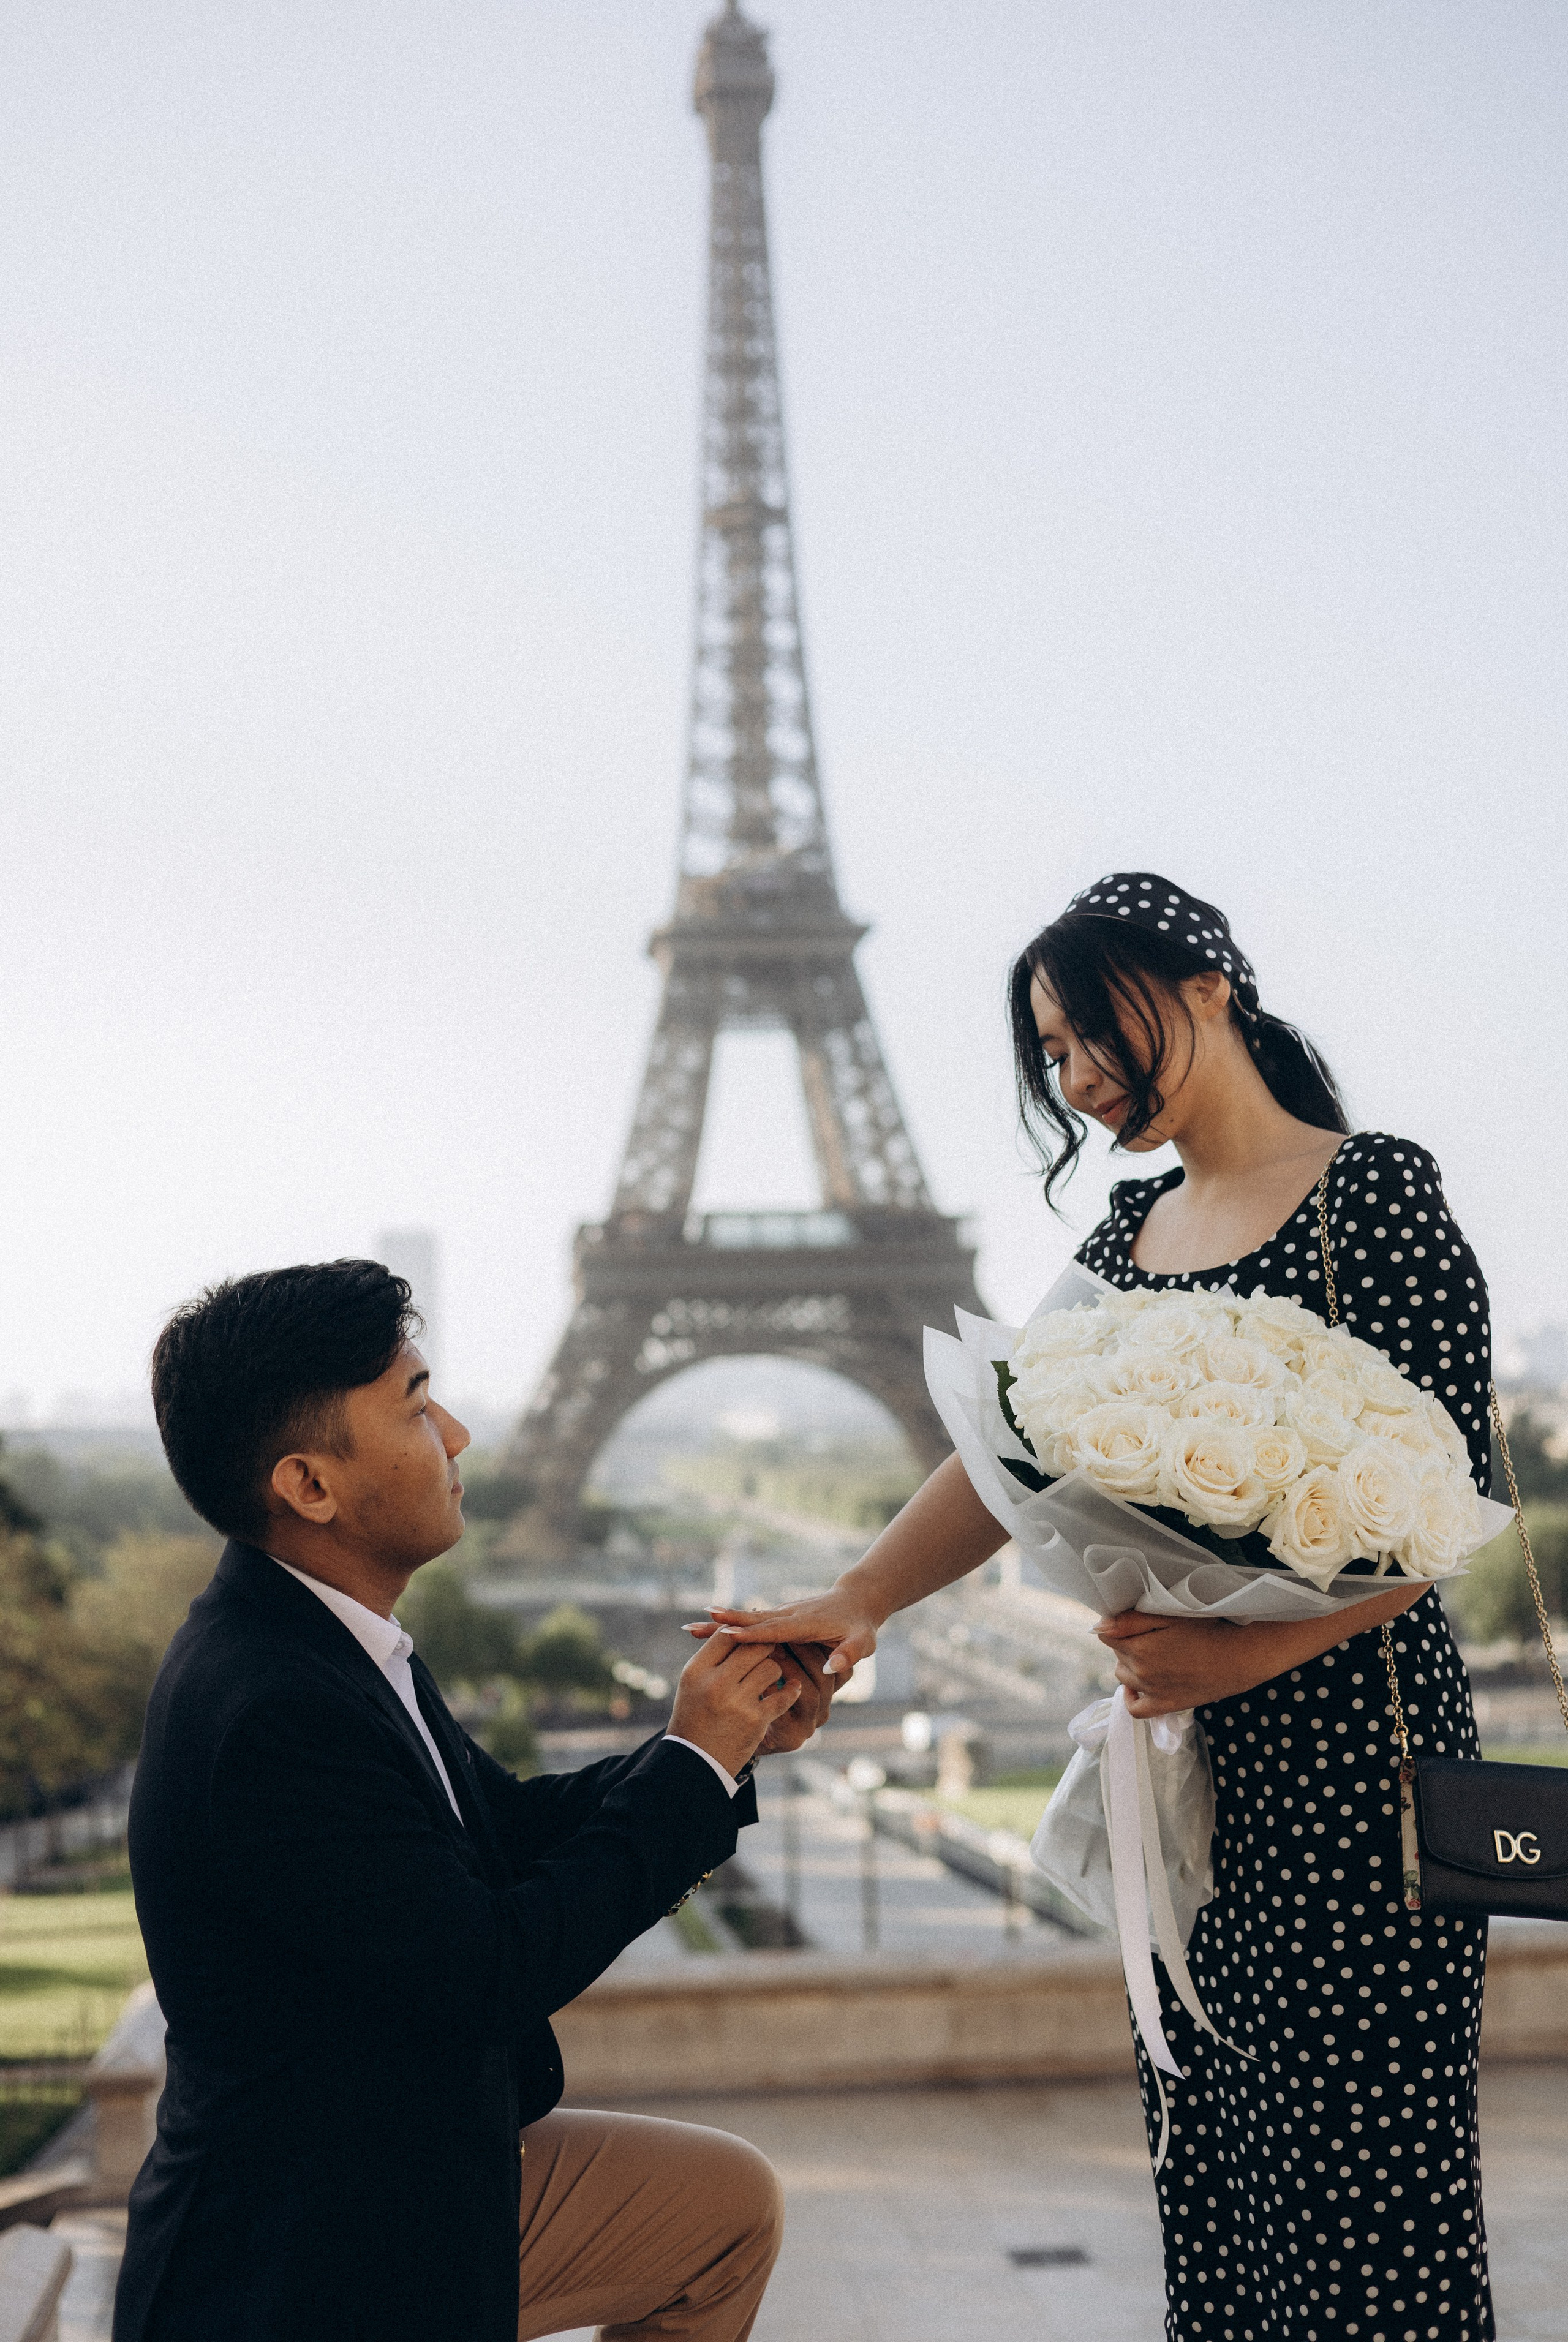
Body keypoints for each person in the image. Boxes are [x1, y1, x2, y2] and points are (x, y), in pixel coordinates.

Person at [703, 873, 1496, 2341]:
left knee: (1366, 2195)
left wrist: (1234, 1647)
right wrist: (859, 1597)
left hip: (1352, 1771)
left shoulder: (1373, 1190)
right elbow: (1009, 1441)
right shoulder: (1128, 1231)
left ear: (1207, 984)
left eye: (1084, 1034)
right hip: (1190, 1769)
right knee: (1216, 2168)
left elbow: (1441, 1509)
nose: (1071, 1080)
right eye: (1049, 1056)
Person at [116, 1259, 837, 2342]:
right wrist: (689, 1767)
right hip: (306, 2253)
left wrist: (721, 1748)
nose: (456, 1434)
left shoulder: (321, 1643)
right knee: (723, 2214)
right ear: (311, 1486)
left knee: (723, 2209)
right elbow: (489, 1970)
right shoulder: (274, 1707)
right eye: (414, 1405)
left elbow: (498, 1830)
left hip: (386, 2164)